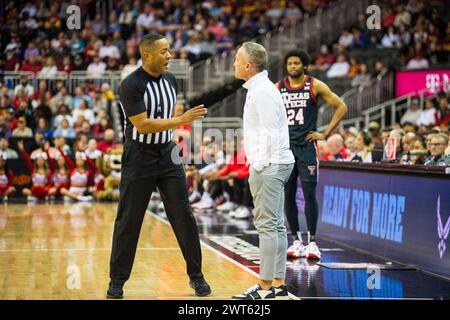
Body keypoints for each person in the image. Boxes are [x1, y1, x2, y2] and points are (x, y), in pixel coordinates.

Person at [107, 34, 210, 299]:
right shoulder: (131, 84)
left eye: (169, 51)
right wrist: (181, 120)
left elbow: (163, 120)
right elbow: (143, 124)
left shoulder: (171, 80)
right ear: (147, 55)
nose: (169, 56)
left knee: (183, 216)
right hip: (138, 155)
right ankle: (117, 280)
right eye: (164, 51)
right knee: (129, 220)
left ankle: (196, 276)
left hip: (167, 154)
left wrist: (176, 123)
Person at [232, 42, 295, 300]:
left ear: (248, 65)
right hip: (276, 162)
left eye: (237, 59)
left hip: (270, 164)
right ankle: (278, 283)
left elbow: (269, 131)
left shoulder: (262, 92)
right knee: (277, 227)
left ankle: (266, 286)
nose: (233, 63)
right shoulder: (260, 88)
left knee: (267, 227)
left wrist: (258, 164)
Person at [276, 49, 348, 260]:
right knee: (288, 194)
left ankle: (313, 242)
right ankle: (296, 241)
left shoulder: (314, 85)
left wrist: (325, 133)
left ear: (305, 66)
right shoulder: (278, 88)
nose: (293, 67)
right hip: (285, 148)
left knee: (309, 193)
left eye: (297, 63)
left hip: (307, 148)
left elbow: (342, 106)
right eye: (289, 64)